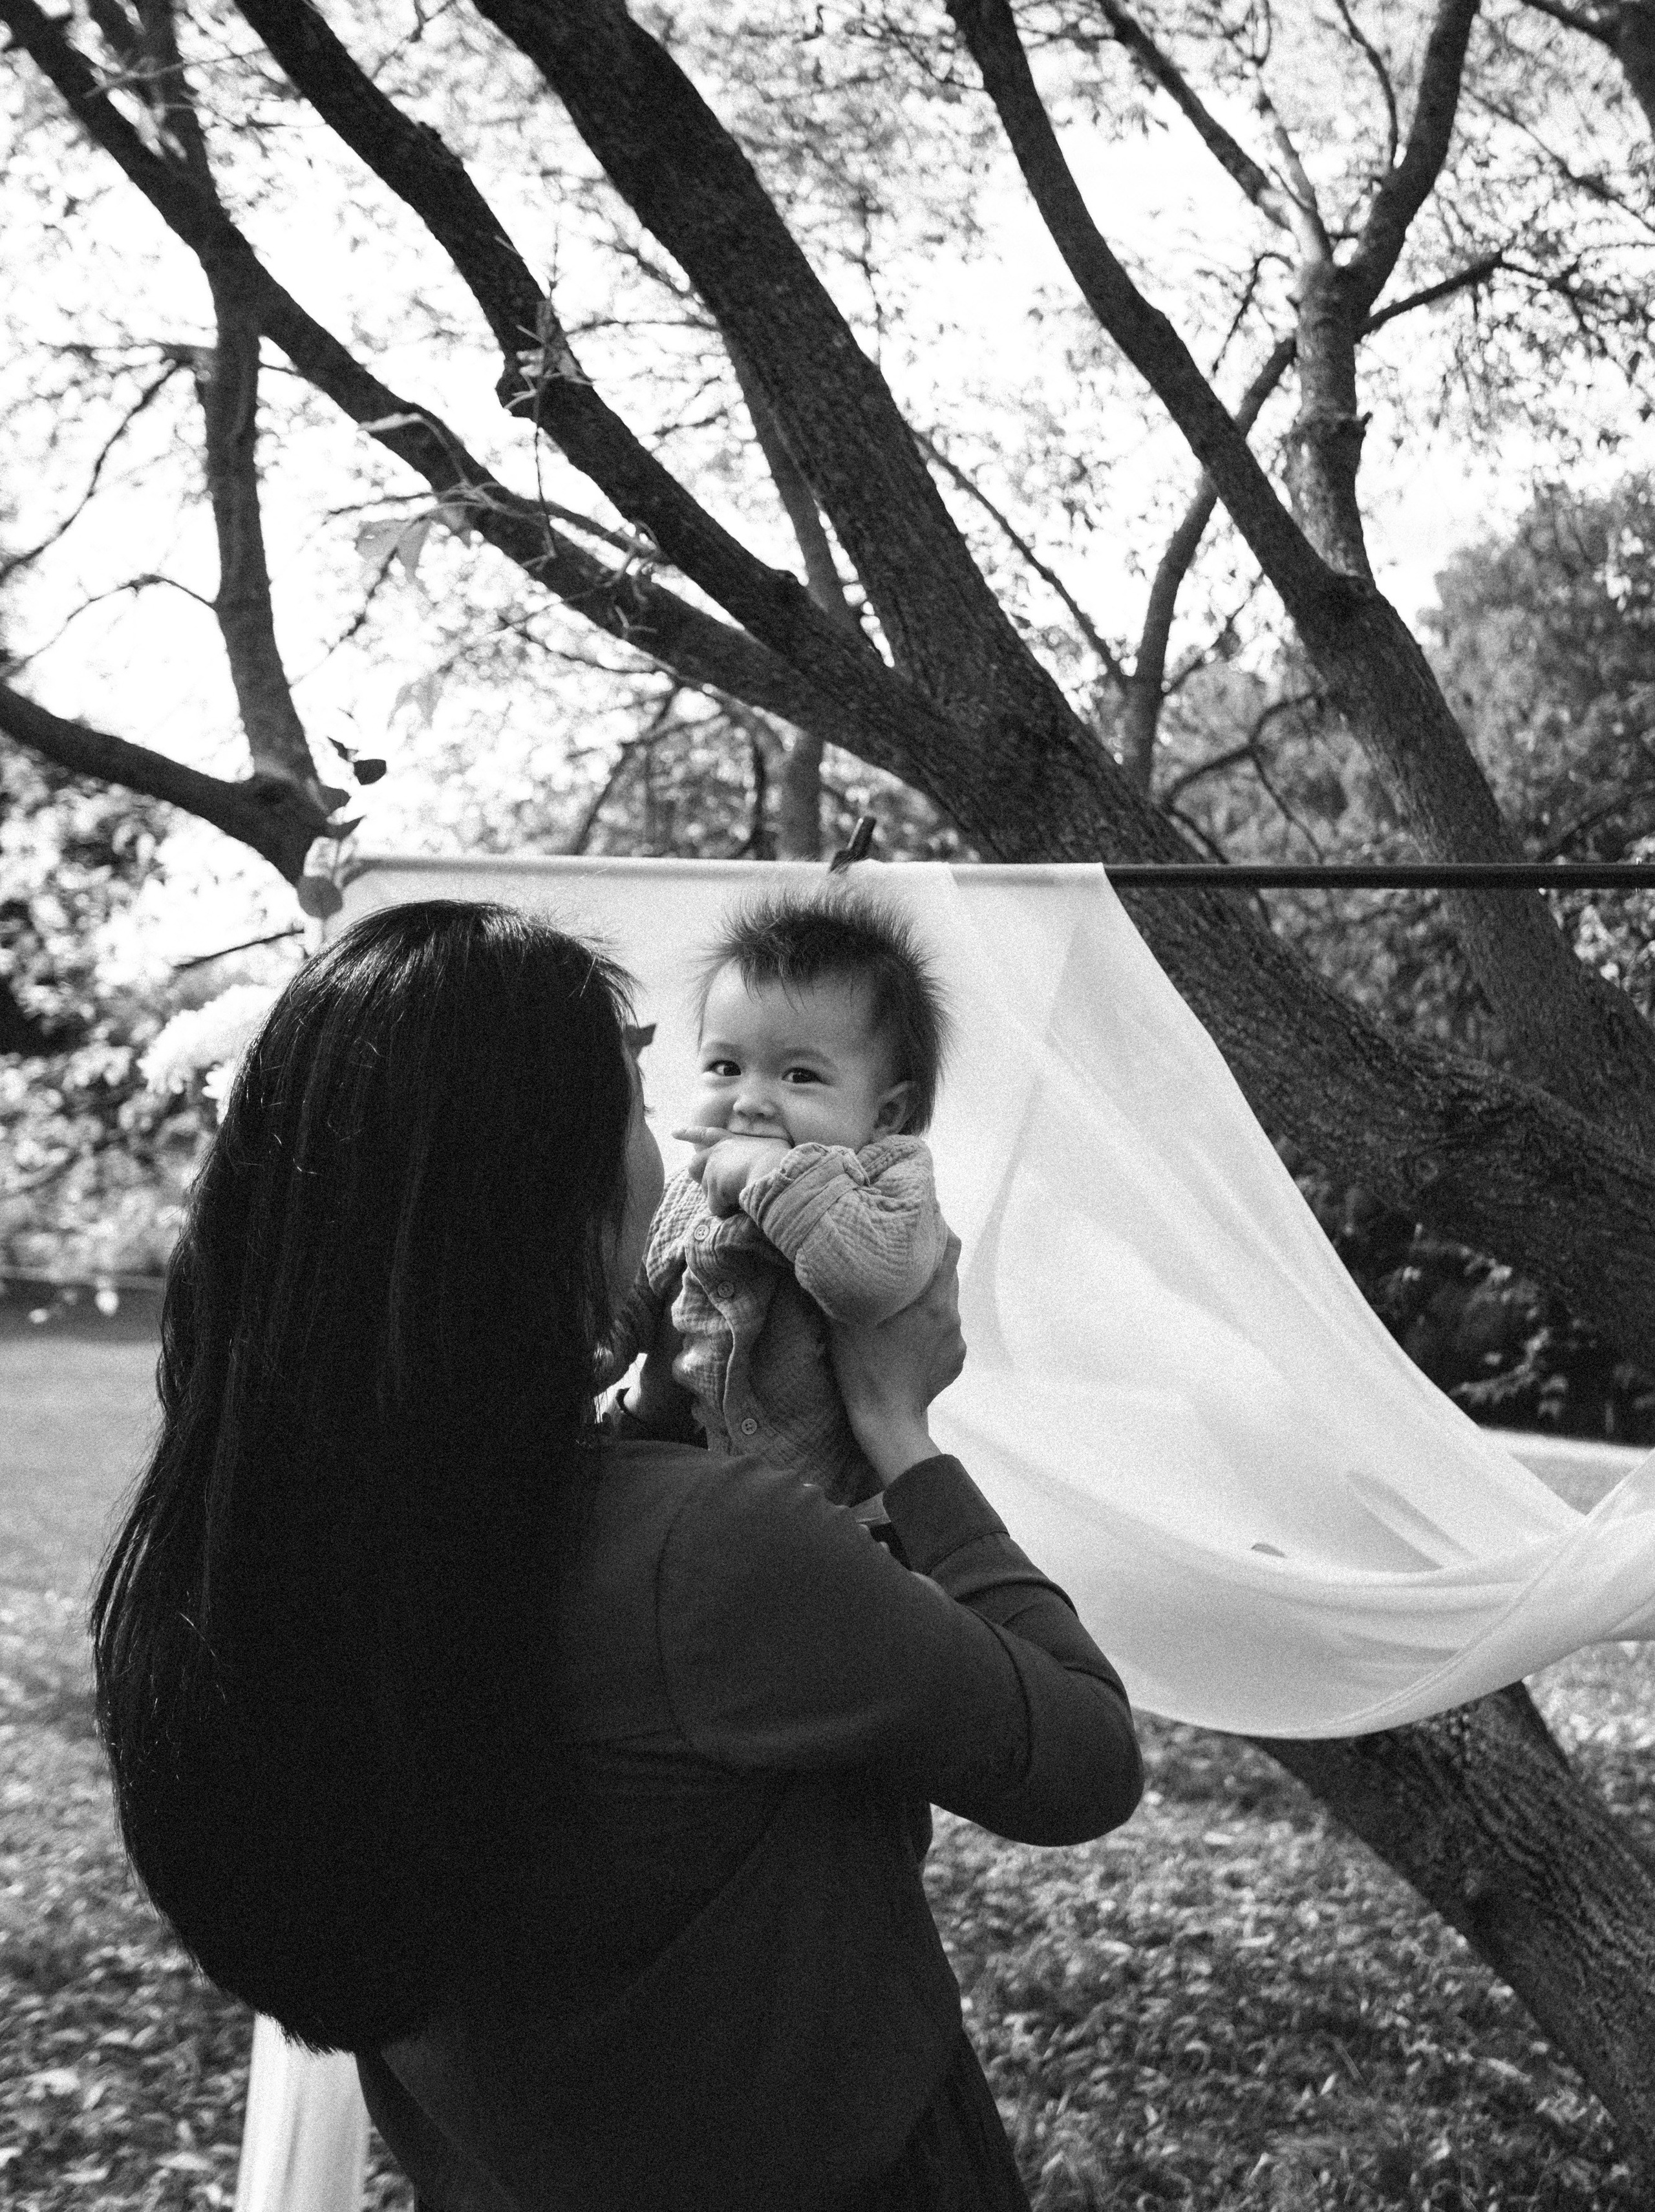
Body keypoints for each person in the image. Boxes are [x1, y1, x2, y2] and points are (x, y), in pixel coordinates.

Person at [91, 900, 1142, 2212]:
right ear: (575, 1200)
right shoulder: (710, 1554)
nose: (693, 1136)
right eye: (648, 1099)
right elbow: (1085, 1760)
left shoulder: (256, 1560)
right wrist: (897, 1433)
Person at [602, 889, 952, 1506]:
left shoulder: (889, 1177)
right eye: (726, 1067)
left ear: (887, 1113)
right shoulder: (688, 1191)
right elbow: (629, 1304)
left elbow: (869, 1285)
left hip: (843, 1515)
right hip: (684, 1477)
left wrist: (772, 1176)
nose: (751, 1101)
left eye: (800, 1076)